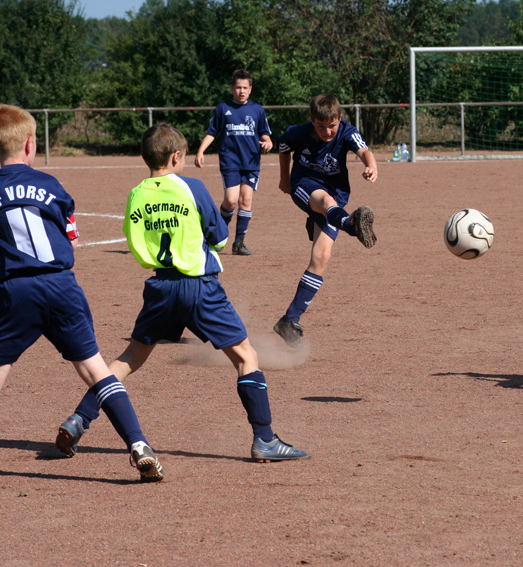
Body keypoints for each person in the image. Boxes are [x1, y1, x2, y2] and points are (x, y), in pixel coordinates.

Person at [55, 123, 308, 464]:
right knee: (246, 357)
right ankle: (264, 438)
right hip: (200, 286)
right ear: (176, 156)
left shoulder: (136, 193)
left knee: (130, 359)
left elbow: (134, 242)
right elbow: (219, 237)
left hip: (160, 286)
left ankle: (79, 419)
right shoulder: (192, 187)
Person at [0, 104, 164, 490]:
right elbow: (71, 239)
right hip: (61, 285)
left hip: (15, 289)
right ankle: (138, 445)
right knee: (95, 369)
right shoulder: (53, 186)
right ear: (31, 144)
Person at [272, 94, 378, 346]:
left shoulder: (346, 132)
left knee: (322, 257)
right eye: (321, 127)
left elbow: (364, 150)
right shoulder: (299, 133)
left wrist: (371, 165)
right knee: (324, 201)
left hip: (336, 192)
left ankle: (288, 320)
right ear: (312, 121)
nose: (327, 131)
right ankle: (351, 226)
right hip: (305, 185)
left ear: (340, 119)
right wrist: (284, 179)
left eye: (332, 125)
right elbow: (284, 147)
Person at [195, 69, 273, 256]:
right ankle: (218, 236)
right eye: (238, 87)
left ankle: (239, 243)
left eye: (245, 87)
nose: (241, 91)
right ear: (232, 88)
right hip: (230, 160)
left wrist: (268, 142)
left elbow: (264, 132)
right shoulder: (223, 108)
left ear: (250, 89)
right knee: (230, 200)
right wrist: (200, 150)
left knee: (245, 201)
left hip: (251, 161)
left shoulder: (257, 110)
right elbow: (212, 132)